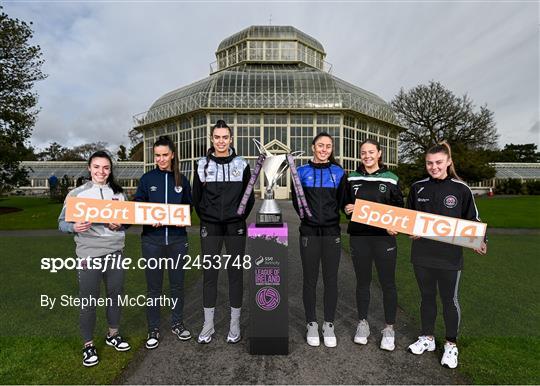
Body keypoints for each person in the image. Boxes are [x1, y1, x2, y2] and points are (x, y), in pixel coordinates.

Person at [406, 141, 487, 369]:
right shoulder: (417, 187)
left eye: (439, 162)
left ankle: (451, 344)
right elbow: (408, 219)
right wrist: (409, 230)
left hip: (450, 258)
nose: (434, 167)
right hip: (421, 256)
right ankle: (428, 338)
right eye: (429, 163)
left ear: (448, 162)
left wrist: (481, 240)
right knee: (427, 297)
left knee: (449, 300)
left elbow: (473, 220)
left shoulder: (461, 189)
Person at [58, 151, 131, 367]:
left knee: (115, 296)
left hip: (115, 251)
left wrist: (121, 225)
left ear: (110, 170)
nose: (101, 171)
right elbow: (61, 223)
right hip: (89, 254)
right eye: (97, 167)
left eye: (106, 167)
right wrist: (73, 227)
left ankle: (113, 335)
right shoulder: (77, 194)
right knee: (89, 301)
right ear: (89, 168)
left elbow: (126, 222)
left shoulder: (119, 194)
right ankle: (88, 345)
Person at [192, 119, 254, 344]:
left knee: (235, 274)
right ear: (211, 139)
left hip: (235, 226)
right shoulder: (201, 165)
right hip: (210, 226)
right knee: (210, 275)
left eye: (225, 137)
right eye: (217, 137)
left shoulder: (242, 164)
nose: (221, 141)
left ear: (230, 139)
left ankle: (234, 324)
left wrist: (238, 217)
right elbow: (196, 198)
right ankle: (208, 324)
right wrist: (207, 217)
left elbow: (249, 196)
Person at [344, 139, 404, 351]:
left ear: (379, 153)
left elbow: (399, 210)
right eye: (363, 152)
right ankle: (363, 324)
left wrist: (393, 224)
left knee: (387, 283)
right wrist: (348, 209)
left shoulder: (391, 179)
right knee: (362, 282)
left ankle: (389, 329)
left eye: (371, 152)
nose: (367, 156)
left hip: (384, 240)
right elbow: (345, 204)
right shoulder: (351, 177)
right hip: (359, 238)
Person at [134, 136, 193, 349]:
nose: (160, 159)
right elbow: (138, 208)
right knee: (154, 288)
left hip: (177, 241)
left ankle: (177, 323)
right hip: (152, 241)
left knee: (177, 286)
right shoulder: (147, 179)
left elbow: (189, 209)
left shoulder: (182, 180)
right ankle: (154, 328)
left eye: (164, 155)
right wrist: (150, 218)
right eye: (157, 155)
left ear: (172, 155)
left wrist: (179, 218)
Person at [292, 132, 346, 347]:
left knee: (331, 279)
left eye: (328, 146)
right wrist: (308, 219)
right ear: (313, 147)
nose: (324, 150)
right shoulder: (301, 172)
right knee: (310, 279)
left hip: (332, 232)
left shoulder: (339, 172)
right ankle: (312, 323)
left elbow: (344, 201)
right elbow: (297, 202)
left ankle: (329, 324)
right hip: (310, 232)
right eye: (321, 145)